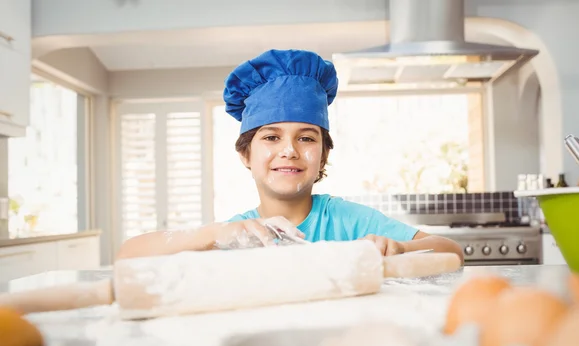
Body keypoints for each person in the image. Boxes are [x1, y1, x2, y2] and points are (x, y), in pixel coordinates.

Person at [116, 49, 463, 262]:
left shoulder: (352, 223)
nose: (289, 151)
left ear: (323, 156)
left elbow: (452, 251)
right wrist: (214, 234)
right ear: (245, 155)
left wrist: (399, 250)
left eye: (307, 138)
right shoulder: (238, 235)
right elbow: (127, 256)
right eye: (271, 136)